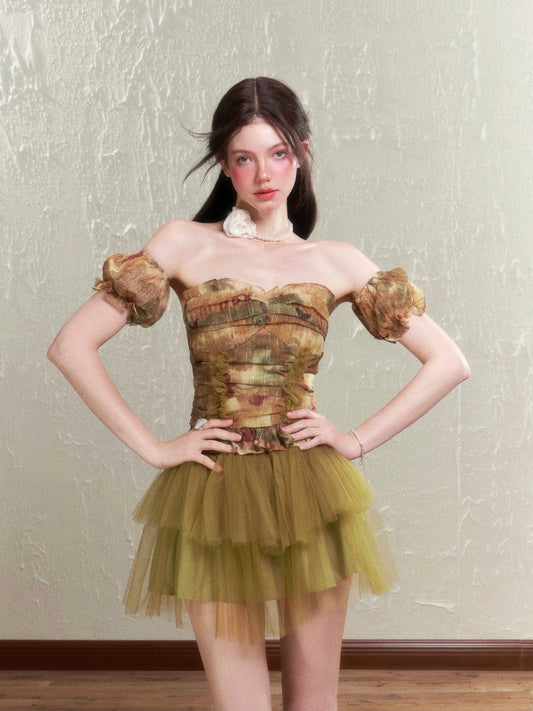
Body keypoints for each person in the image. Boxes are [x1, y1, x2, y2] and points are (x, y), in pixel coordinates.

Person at [48, 77, 470, 711]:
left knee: (313, 705)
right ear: (225, 164)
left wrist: (354, 441)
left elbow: (448, 362)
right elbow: (71, 345)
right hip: (215, 492)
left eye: (278, 153)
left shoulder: (337, 260)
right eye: (244, 157)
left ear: (301, 154)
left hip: (311, 491)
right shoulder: (183, 243)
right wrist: (156, 449)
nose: (264, 173)